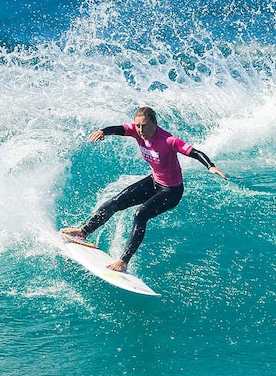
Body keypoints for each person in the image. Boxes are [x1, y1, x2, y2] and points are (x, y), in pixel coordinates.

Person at [62, 107, 227, 272]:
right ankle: (83, 231)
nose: (141, 130)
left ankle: (124, 261)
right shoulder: (135, 131)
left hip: (171, 191)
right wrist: (103, 131)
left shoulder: (169, 140)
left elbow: (195, 152)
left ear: (154, 123)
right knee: (115, 202)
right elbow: (118, 129)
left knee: (140, 214)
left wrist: (210, 166)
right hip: (154, 182)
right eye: (138, 126)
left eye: (145, 126)